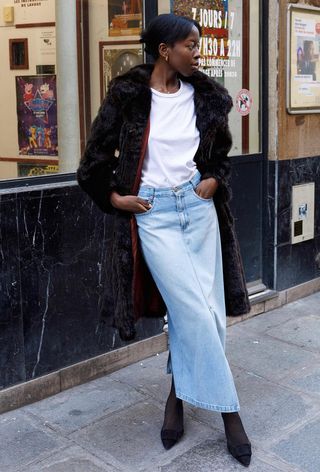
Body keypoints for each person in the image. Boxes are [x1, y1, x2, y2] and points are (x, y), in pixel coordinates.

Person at [77, 13, 252, 468]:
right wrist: (115, 197)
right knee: (194, 310)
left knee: (207, 310)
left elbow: (218, 154)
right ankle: (230, 413)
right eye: (191, 45)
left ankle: (177, 397)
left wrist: (214, 178)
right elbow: (94, 158)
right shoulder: (128, 97)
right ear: (164, 50)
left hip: (198, 209)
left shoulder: (206, 97)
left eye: (197, 45)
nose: (198, 53)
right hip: (153, 214)